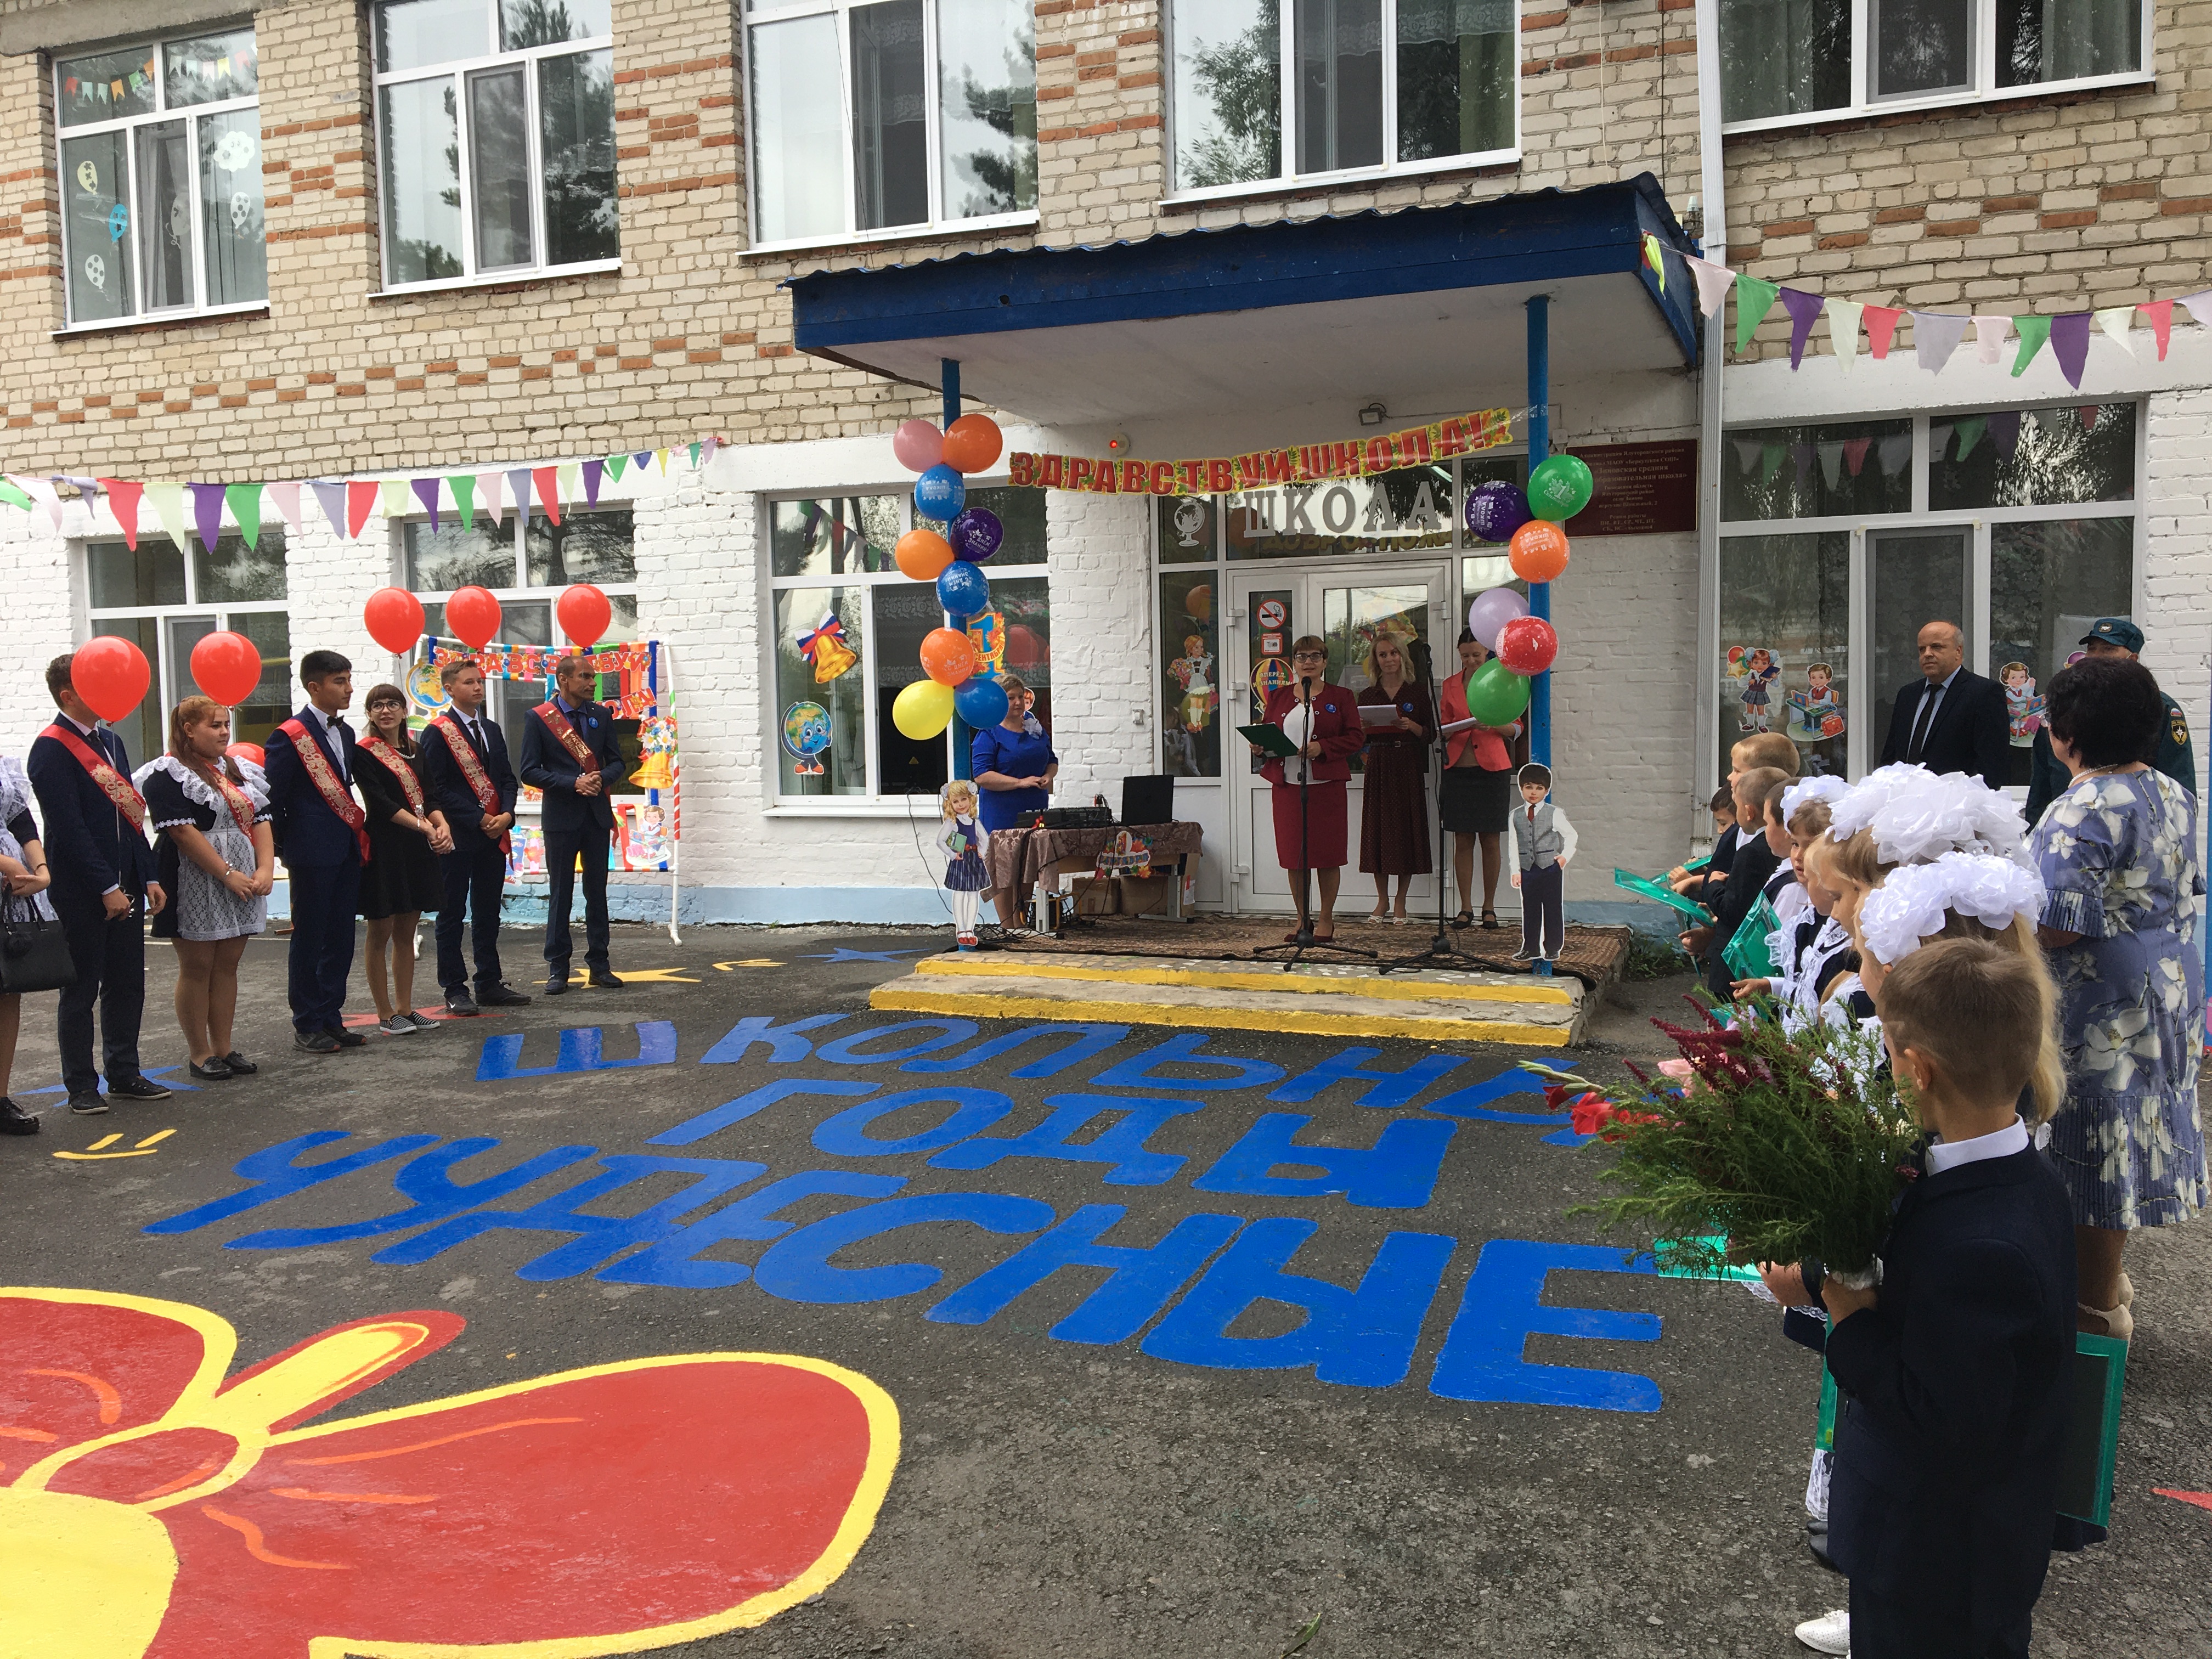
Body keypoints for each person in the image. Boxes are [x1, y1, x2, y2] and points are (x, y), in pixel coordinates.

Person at [1820, 938, 2075, 1659]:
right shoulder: (2027, 1181)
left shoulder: (1984, 1248)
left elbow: (1941, 1418)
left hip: (1937, 1564)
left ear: (1919, 1069)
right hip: (1958, 1549)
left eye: (1891, 1055)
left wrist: (1845, 1314)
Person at [2027, 654, 2205, 1340]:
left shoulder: (2083, 807)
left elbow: (2058, 926)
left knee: (2092, 1149)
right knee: (2127, 1136)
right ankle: (2107, 1282)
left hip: (2104, 1003)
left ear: (2065, 734)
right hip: (2167, 987)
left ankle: (2096, 1314)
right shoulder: (2172, 792)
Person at [27, 652, 169, 1114]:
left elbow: (131, 816)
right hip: (82, 889)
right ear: (69, 694)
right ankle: (81, 1085)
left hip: (127, 881)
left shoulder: (110, 741)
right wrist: (106, 886)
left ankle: (124, 1072)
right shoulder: (50, 748)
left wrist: (148, 873)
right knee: (81, 987)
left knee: (127, 984)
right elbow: (68, 828)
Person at [136, 697, 275, 1080]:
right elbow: (181, 832)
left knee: (228, 964)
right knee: (198, 966)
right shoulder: (167, 773)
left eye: (226, 724)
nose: (225, 732)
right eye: (215, 726)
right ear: (188, 730)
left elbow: (261, 817)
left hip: (240, 871)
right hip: (193, 873)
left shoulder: (237, 768)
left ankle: (224, 1047)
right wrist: (226, 873)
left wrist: (265, 866)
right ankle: (200, 1052)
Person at [264, 650, 370, 1054]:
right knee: (310, 938)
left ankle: (331, 1016)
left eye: (349, 679)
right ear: (314, 687)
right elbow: (274, 799)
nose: (349, 689)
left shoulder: (346, 733)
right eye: (339, 681)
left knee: (341, 937)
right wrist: (286, 846)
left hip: (344, 847)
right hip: (309, 852)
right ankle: (307, 1022)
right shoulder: (289, 735)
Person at [417, 660, 529, 1016]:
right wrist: (479, 817)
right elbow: (436, 789)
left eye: (480, 681)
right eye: (469, 682)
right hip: (457, 836)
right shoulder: (438, 733)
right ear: (449, 689)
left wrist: (507, 814)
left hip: (493, 835)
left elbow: (507, 779)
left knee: (488, 913)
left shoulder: (492, 730)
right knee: (451, 914)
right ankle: (454, 988)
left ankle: (489, 982)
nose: (478, 688)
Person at [518, 653, 629, 995]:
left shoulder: (601, 715)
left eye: (593, 677)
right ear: (563, 680)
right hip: (561, 818)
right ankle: (558, 969)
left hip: (596, 816)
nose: (592, 683)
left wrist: (599, 778)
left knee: (597, 893)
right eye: (585, 677)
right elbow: (529, 771)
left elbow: (617, 762)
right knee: (561, 893)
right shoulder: (539, 718)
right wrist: (573, 783)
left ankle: (600, 965)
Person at [2022, 618, 2196, 825]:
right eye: (2092, 649)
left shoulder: (2156, 708)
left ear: (2132, 659)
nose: (2096, 657)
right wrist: (2035, 833)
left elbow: (2179, 785)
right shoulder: (2064, 705)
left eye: (2108, 650)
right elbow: (2042, 785)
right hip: (2063, 824)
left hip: (2135, 828)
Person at [355, 683, 451, 1034]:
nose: (386, 711)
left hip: (416, 846)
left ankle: (406, 1008)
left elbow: (430, 795)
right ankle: (385, 1014)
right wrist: (425, 827)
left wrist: (442, 826)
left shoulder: (416, 749)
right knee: (380, 929)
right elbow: (379, 802)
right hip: (385, 845)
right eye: (377, 705)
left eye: (392, 704)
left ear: (404, 710)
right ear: (369, 713)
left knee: (408, 930)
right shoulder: (364, 752)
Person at [1260, 637, 1364, 943]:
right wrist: (1260, 747)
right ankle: (1302, 918)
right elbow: (1268, 734)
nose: (1308, 662)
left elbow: (1356, 737)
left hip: (1327, 788)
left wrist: (1324, 747)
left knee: (1328, 855)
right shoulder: (1278, 696)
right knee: (1295, 856)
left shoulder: (1341, 696)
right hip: (1288, 788)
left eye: (1315, 656)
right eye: (1302, 656)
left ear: (1324, 662)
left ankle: (1326, 919)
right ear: (1293, 662)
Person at [1683, 759, 1793, 1002]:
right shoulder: (1769, 851)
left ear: (1749, 811)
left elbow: (1732, 911)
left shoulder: (1752, 852)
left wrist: (1713, 884)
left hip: (1736, 964)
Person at [1437, 630, 1522, 929]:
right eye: (1465, 656)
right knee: (1462, 838)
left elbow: (1517, 728)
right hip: (1458, 768)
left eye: (1476, 654)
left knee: (1490, 838)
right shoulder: (1450, 685)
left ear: (1487, 652)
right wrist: (1453, 728)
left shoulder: (1502, 680)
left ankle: (1489, 907)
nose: (1471, 660)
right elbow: (1443, 726)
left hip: (1492, 769)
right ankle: (1465, 908)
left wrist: (1495, 724)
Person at [1356, 633, 1436, 923]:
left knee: (1405, 832)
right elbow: (1357, 741)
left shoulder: (1417, 693)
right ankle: (1382, 900)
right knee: (1377, 831)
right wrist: (1362, 729)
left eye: (1394, 653)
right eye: (1383, 655)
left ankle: (1401, 900)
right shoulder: (1368, 696)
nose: (1389, 659)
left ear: (1402, 656)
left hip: (1407, 764)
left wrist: (1411, 725)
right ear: (1375, 661)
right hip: (1378, 764)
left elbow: (1431, 735)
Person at [1876, 620, 2009, 787]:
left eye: (1936, 647)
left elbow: (1992, 765)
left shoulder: (1983, 693)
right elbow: (1891, 758)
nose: (1927, 654)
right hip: (1904, 798)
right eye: (1922, 649)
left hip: (1956, 800)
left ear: (1958, 651)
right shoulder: (1908, 695)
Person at [970, 671, 1057, 927]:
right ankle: (1008, 926)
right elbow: (982, 775)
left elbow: (1052, 760)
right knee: (1005, 869)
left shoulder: (1034, 728)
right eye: (1011, 698)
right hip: (1002, 811)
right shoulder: (989, 733)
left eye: (1021, 696)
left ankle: (1022, 924)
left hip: (1034, 808)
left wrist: (1048, 776)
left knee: (1027, 865)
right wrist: (1020, 783)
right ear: (999, 702)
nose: (1018, 702)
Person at [0, 755, 53, 1134]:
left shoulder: (4, 765)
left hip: (11, 887)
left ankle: (0, 1098)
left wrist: (41, 870)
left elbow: (21, 822)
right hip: (7, 871)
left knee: (8, 989)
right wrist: (6, 864)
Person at [1508, 762, 1575, 966]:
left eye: (1539, 788)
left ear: (1546, 791)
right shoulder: (1515, 815)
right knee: (1530, 908)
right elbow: (1513, 843)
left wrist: (1564, 857)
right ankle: (1530, 947)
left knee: (1552, 907)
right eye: (1529, 787)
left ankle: (1553, 947)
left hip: (1550, 868)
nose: (1533, 792)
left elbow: (1571, 835)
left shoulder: (1554, 813)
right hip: (1528, 869)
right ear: (1521, 789)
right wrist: (1515, 871)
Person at [940, 778, 988, 947]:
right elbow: (941, 841)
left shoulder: (975, 822)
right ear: (950, 804)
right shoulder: (952, 823)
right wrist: (952, 855)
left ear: (970, 799)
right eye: (956, 802)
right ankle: (961, 929)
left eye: (964, 799)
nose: (961, 804)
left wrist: (982, 852)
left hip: (974, 860)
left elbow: (985, 839)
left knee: (974, 894)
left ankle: (970, 929)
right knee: (960, 894)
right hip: (960, 860)